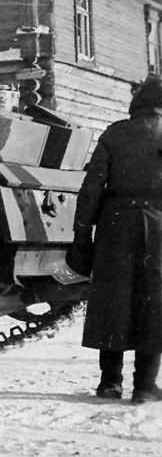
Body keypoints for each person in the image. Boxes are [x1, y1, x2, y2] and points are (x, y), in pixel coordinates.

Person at [69, 76, 162, 404]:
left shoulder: (114, 133)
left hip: (115, 228)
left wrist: (82, 234)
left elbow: (91, 189)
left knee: (114, 302)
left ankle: (110, 383)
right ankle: (145, 386)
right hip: (159, 228)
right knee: (154, 304)